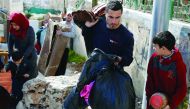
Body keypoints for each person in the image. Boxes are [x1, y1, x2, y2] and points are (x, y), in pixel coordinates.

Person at [81, 0, 134, 67]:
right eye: (111, 17)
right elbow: (87, 40)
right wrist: (86, 27)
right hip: (93, 70)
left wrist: (118, 59)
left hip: (112, 74)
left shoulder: (127, 36)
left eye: (117, 17)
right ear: (105, 14)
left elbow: (128, 59)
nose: (114, 21)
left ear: (121, 15)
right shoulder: (97, 24)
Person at [145, 31, 187, 109]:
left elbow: (182, 89)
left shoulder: (178, 65)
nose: (153, 48)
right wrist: (150, 99)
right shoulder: (154, 58)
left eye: (155, 46)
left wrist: (170, 105)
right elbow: (149, 80)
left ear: (163, 48)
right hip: (154, 102)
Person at [8, 13, 38, 78]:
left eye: (15, 25)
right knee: (16, 77)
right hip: (18, 56)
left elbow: (31, 45)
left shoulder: (29, 30)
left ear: (21, 23)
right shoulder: (12, 30)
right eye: (12, 24)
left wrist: (24, 57)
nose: (14, 27)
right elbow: (10, 43)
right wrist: (11, 55)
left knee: (29, 78)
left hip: (29, 56)